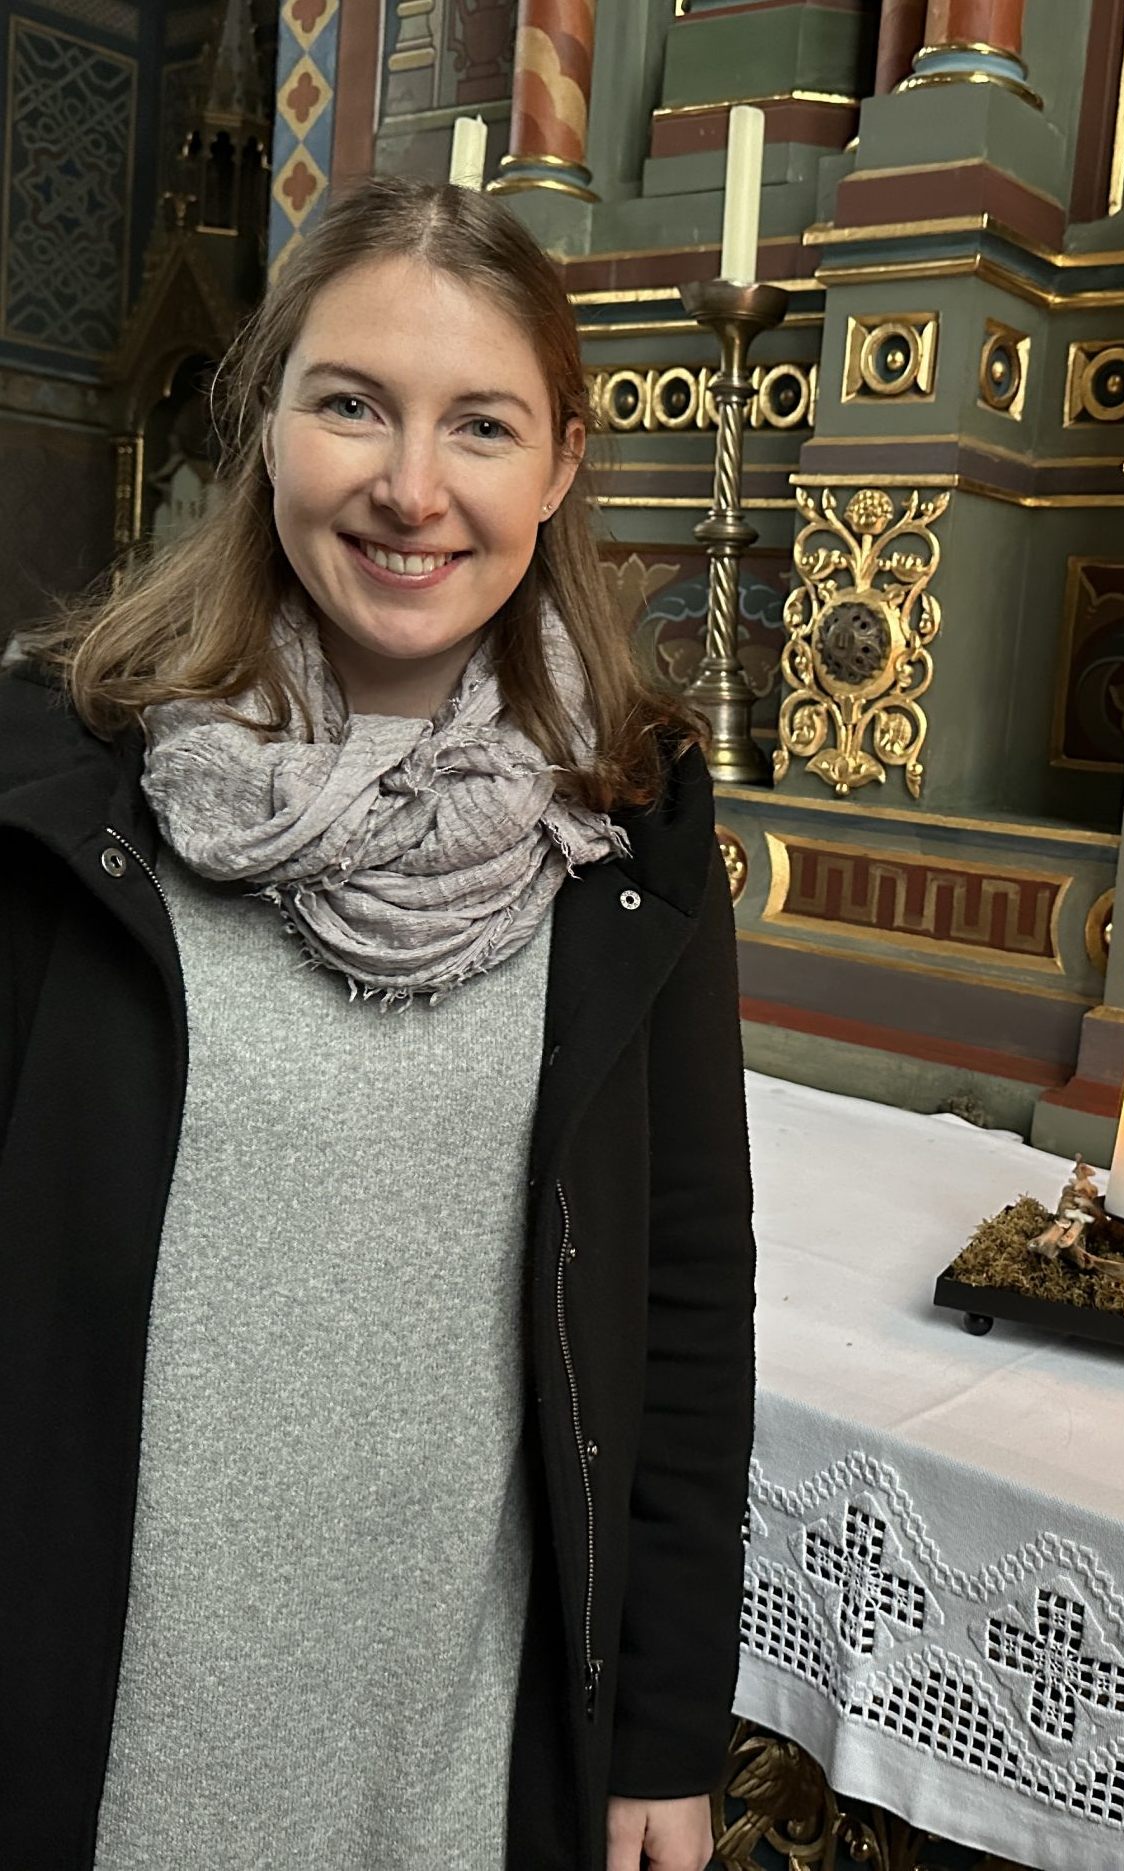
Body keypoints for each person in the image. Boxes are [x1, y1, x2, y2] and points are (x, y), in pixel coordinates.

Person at [0, 175, 756, 1871]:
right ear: (262, 422)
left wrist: (661, 1731)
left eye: (480, 424)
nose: (412, 489)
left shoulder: (630, 820)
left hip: (454, 1711)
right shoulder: (64, 780)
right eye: (352, 405)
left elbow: (686, 1293)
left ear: (558, 463)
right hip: (98, 1691)